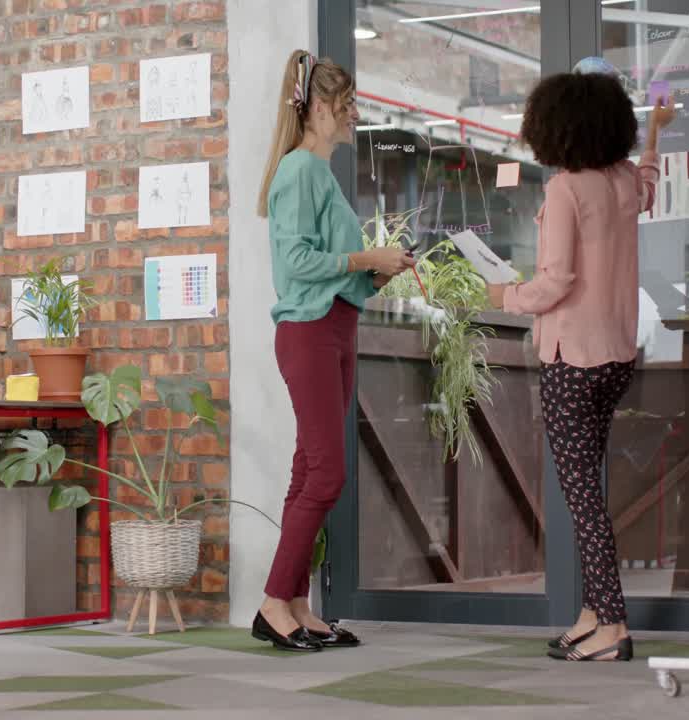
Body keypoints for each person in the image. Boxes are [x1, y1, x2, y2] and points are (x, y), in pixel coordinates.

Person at [486, 72, 676, 661]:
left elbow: (555, 282)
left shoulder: (566, 189)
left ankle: (613, 625)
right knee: (588, 489)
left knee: (583, 500)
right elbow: (649, 184)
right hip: (616, 355)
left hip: (572, 360)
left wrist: (501, 296)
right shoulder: (622, 180)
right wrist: (656, 133)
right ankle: (593, 614)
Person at [252, 50, 415, 652]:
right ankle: (274, 602)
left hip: (334, 327)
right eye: (346, 105)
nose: (354, 115)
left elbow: (334, 272)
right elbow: (296, 263)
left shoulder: (319, 174)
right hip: (311, 332)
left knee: (309, 468)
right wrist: (367, 257)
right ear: (317, 108)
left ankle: (296, 604)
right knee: (326, 473)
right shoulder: (299, 170)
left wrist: (377, 274)